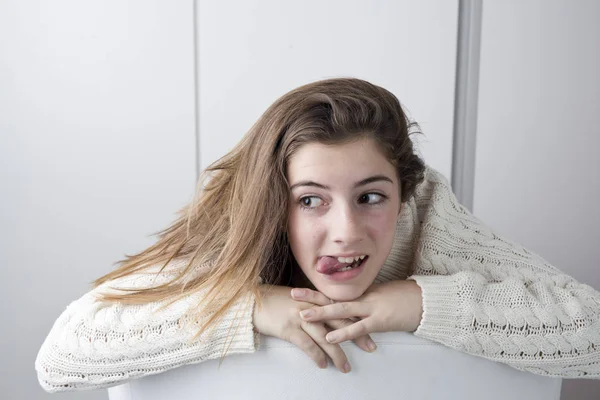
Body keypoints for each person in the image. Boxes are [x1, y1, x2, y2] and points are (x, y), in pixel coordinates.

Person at [35, 78, 600, 392]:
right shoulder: (237, 217)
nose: (345, 233)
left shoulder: (426, 212)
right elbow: (62, 357)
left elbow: (591, 334)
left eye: (371, 197)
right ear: (272, 200)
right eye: (310, 201)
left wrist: (418, 301)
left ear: (403, 192)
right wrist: (248, 305)